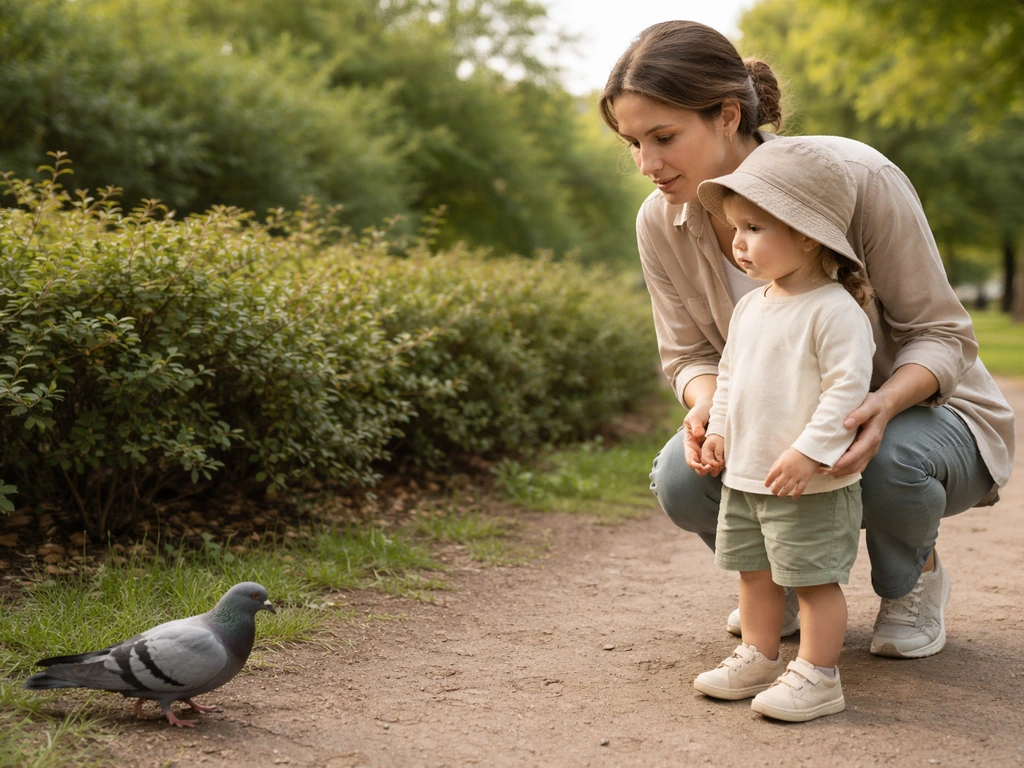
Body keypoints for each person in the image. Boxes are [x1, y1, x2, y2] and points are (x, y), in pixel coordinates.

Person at [599, 20, 1015, 661]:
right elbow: (686, 355)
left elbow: (941, 337)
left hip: (925, 417)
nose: (647, 165)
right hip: (774, 422)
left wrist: (881, 407)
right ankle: (781, 584)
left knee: (881, 454)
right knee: (681, 477)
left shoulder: (856, 176)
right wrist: (707, 405)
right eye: (632, 143)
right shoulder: (661, 220)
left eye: (664, 137)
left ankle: (913, 580)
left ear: (727, 116)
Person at [690, 139, 875, 722]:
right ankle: (760, 654)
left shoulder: (834, 310)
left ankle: (820, 676)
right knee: (755, 571)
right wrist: (718, 429)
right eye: (735, 228)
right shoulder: (751, 307)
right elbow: (730, 374)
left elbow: (845, 392)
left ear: (807, 236)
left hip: (805, 482)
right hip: (749, 474)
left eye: (753, 228)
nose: (738, 243)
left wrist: (810, 452)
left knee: (813, 579)